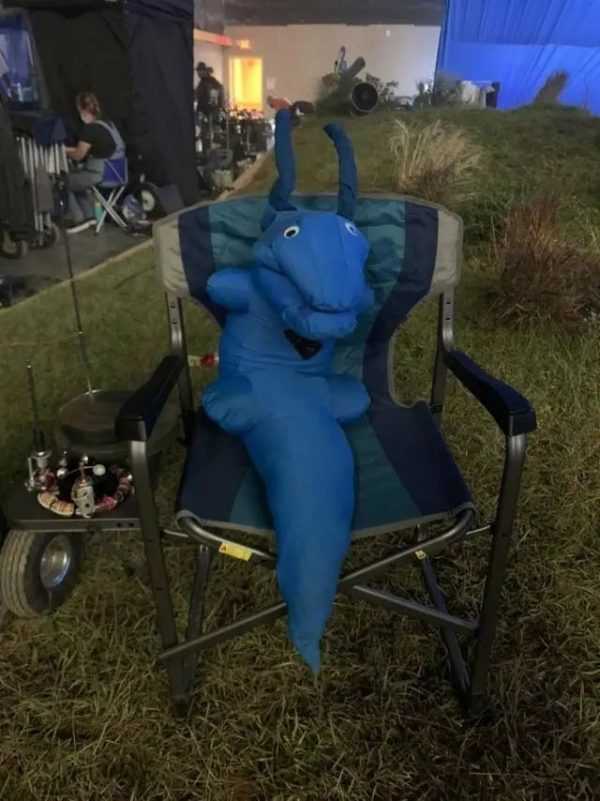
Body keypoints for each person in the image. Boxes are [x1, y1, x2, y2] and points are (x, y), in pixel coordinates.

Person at [64, 91, 125, 234]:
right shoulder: (109, 125)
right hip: (118, 174)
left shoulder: (90, 129)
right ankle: (90, 216)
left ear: (82, 110)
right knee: (78, 180)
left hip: (100, 175)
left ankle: (79, 219)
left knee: (63, 181)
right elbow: (99, 148)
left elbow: (78, 156)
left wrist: (64, 151)